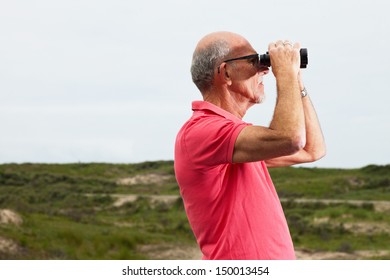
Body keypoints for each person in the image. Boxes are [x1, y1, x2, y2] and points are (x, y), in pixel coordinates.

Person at [174, 31, 326, 260]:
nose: (265, 69)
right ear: (226, 72)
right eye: (254, 61)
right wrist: (284, 73)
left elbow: (311, 150)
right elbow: (291, 138)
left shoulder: (234, 139)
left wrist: (295, 80)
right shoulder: (203, 132)